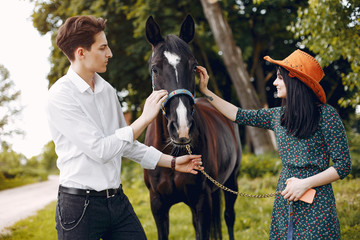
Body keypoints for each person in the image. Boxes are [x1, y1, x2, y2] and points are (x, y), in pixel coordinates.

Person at [46, 15, 203, 240]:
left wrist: (173, 162)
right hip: (79, 207)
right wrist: (144, 119)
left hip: (117, 201)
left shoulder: (107, 90)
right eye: (102, 47)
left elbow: (126, 145)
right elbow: (101, 150)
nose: (109, 53)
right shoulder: (60, 96)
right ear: (81, 53)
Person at [196, 49, 351, 239]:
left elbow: (343, 165)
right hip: (285, 198)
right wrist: (205, 91)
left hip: (317, 201)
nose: (275, 82)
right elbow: (238, 114)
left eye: (280, 77)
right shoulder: (277, 116)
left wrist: (305, 184)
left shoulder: (327, 116)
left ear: (295, 81)